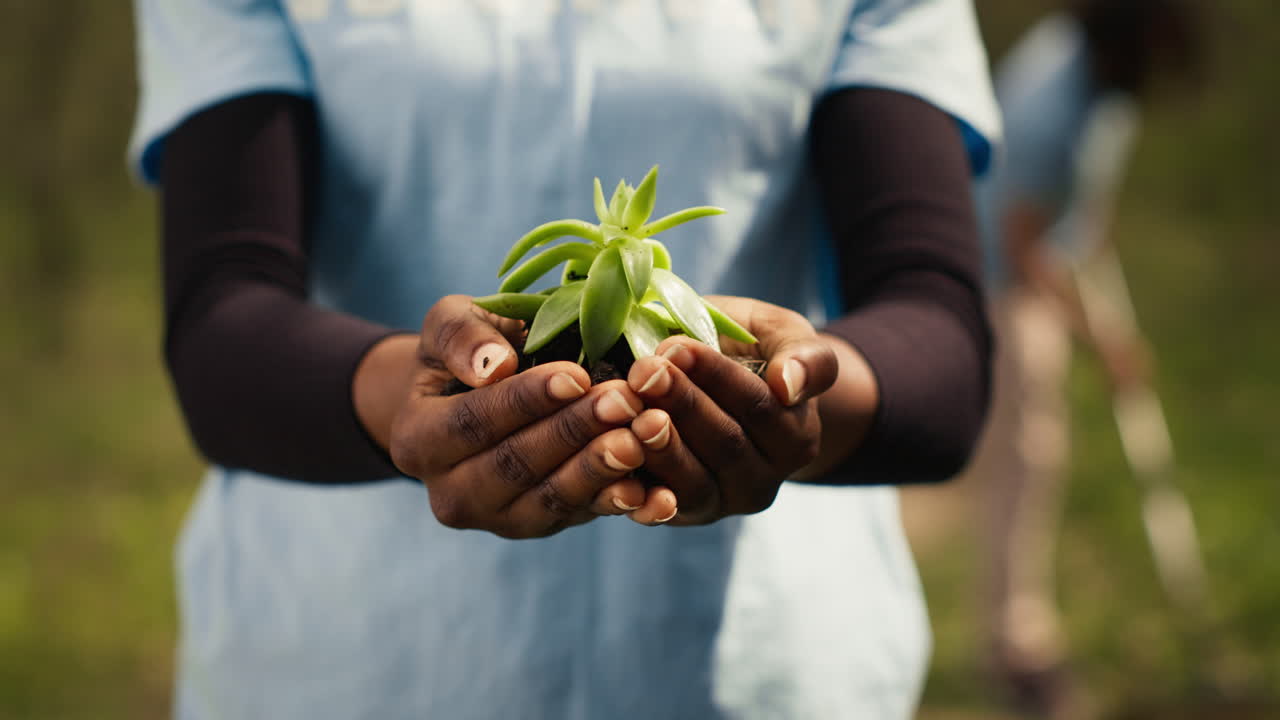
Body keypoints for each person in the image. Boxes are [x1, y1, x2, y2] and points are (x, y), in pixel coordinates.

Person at [131, 1, 999, 717]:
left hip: (756, 671)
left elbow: (939, 341)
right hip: (346, 657)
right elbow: (223, 325)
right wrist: (421, 404)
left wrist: (784, 396)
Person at [970, 1, 1203, 716]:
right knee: (1027, 453)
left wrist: (1093, 244)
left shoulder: (1107, 79)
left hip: (1045, 259)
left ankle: (1018, 627)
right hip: (997, 279)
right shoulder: (1045, 105)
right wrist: (1101, 338)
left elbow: (1081, 196)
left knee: (1035, 452)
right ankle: (1015, 643)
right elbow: (1019, 240)